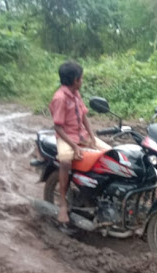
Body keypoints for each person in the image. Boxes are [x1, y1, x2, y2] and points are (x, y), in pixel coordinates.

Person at [49, 61, 108, 224]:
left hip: (81, 135)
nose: (82, 81)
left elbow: (83, 116)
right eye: (81, 78)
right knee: (66, 162)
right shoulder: (60, 98)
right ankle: (62, 203)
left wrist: (92, 136)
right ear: (75, 80)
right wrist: (74, 146)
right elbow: (58, 127)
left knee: (110, 155)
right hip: (66, 138)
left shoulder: (76, 94)